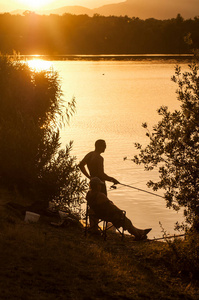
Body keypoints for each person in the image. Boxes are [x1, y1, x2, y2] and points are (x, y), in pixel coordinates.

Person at [86, 177, 152, 240]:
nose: (100, 186)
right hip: (106, 215)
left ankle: (140, 232)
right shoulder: (101, 195)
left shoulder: (89, 194)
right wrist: (119, 211)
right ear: (96, 186)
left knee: (124, 220)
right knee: (124, 220)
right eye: (99, 185)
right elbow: (111, 206)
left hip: (97, 214)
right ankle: (138, 235)